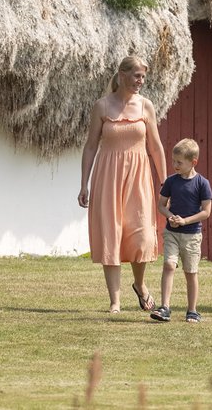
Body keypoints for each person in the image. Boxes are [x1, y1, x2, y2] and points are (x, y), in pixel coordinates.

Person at [78, 55, 168, 314]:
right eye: (137, 75)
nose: (141, 81)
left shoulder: (146, 106)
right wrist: (84, 184)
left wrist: (166, 183)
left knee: (141, 235)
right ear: (122, 75)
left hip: (139, 176)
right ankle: (115, 301)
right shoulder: (102, 106)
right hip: (107, 176)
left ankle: (140, 284)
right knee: (111, 234)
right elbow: (91, 146)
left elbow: (156, 147)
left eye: (143, 77)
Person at [150, 138, 212, 324]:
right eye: (173, 161)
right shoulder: (171, 181)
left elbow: (206, 212)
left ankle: (192, 310)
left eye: (179, 162)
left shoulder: (202, 183)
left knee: (190, 272)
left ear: (193, 162)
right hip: (172, 233)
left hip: (192, 235)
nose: (174, 165)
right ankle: (165, 307)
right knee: (169, 265)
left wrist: (185, 221)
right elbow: (161, 205)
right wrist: (170, 216)